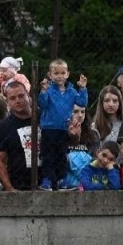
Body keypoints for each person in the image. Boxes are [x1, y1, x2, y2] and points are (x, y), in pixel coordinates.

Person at [36, 59, 89, 190]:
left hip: (64, 129)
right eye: (56, 73)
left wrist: (82, 88)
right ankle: (47, 180)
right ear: (50, 75)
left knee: (62, 155)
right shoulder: (48, 90)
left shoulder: (71, 91)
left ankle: (62, 180)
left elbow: (82, 102)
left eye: (62, 73)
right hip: (48, 129)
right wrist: (42, 91)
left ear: (67, 74)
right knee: (48, 155)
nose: (60, 76)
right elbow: (42, 104)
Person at [0, 78, 37, 191]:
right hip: (19, 184)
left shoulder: (44, 117)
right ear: (7, 102)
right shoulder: (3, 127)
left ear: (28, 96)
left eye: (21, 96)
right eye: (12, 98)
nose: (18, 100)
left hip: (48, 183)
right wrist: (10, 188)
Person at [91, 85, 123, 158]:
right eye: (107, 100)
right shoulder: (95, 126)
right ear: (102, 103)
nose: (111, 104)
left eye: (115, 101)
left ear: (119, 103)